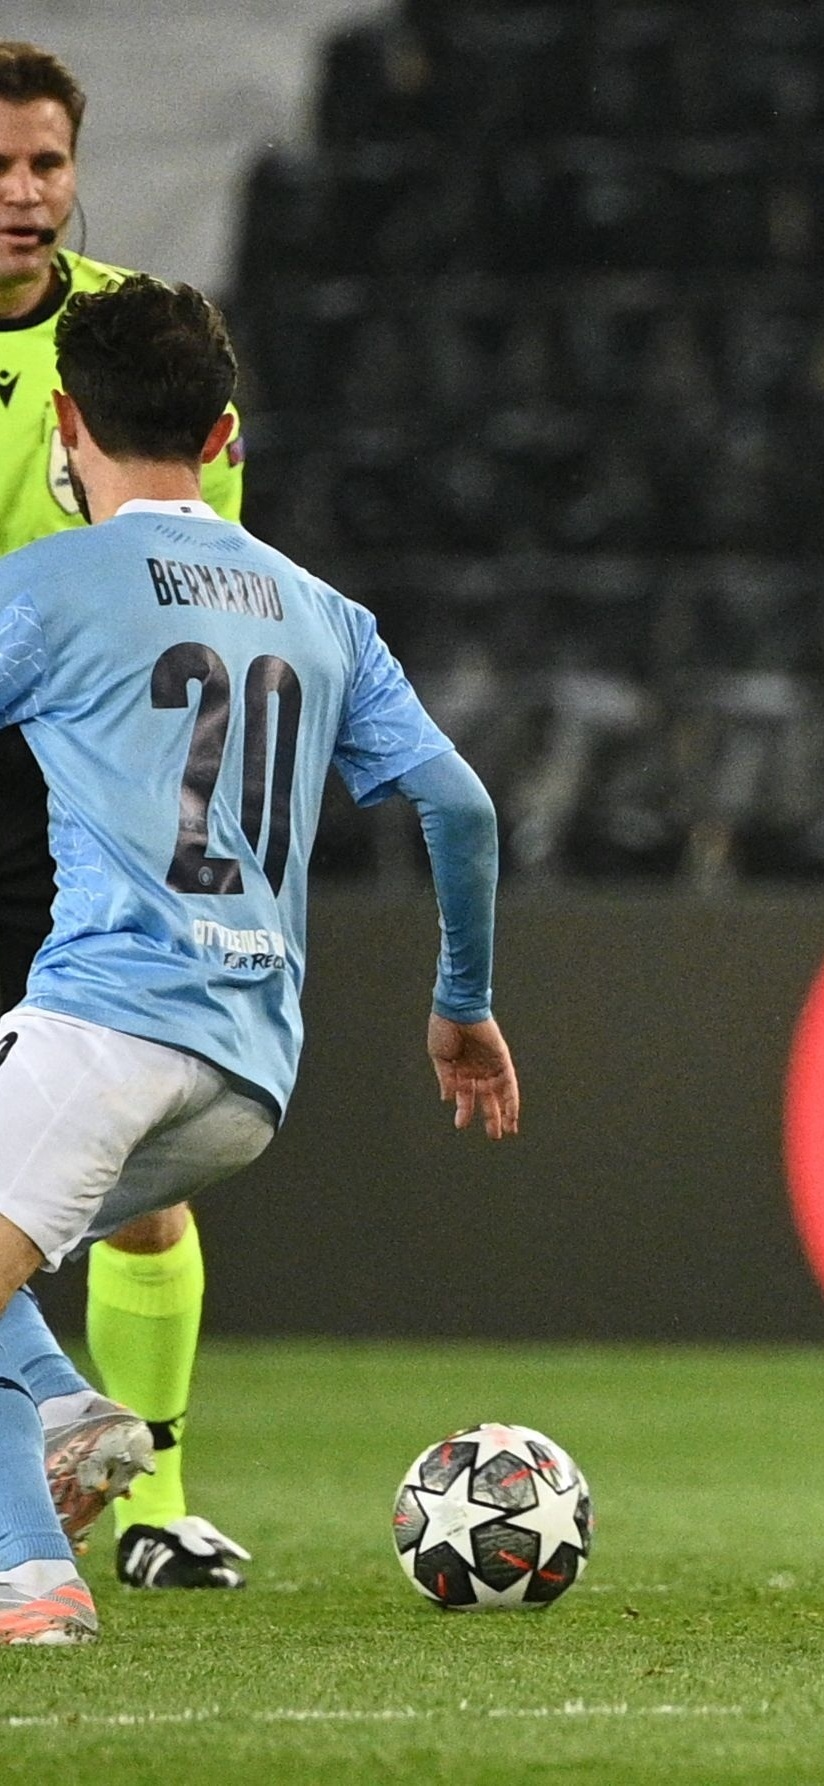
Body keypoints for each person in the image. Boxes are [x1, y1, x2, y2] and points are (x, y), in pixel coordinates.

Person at [0, 273, 518, 1644]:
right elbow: (459, 804)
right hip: (247, 1073)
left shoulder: (43, 586)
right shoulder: (322, 611)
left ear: (65, 421)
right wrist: (459, 998)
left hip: (105, 1023)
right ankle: (64, 1404)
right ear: (223, 432)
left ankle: (30, 1581)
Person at [0, 40, 252, 1589]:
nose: (22, 195)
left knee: (129, 1189)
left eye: (43, 165)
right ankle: (61, 1448)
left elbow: (202, 585)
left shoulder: (134, 348)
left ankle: (152, 1499)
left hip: (83, 789)